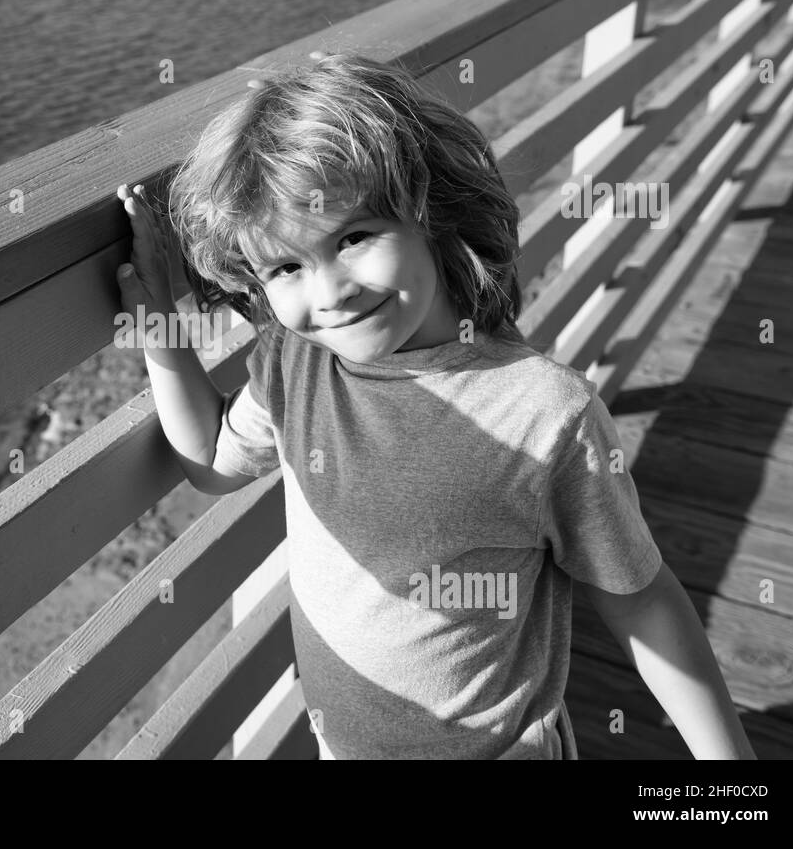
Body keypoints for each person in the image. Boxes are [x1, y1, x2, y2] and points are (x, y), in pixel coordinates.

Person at [113, 51, 755, 760]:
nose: (329, 292)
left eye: (353, 237)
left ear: (431, 210)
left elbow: (640, 597)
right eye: (286, 266)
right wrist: (158, 326)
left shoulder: (543, 413)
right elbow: (209, 458)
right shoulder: (296, 366)